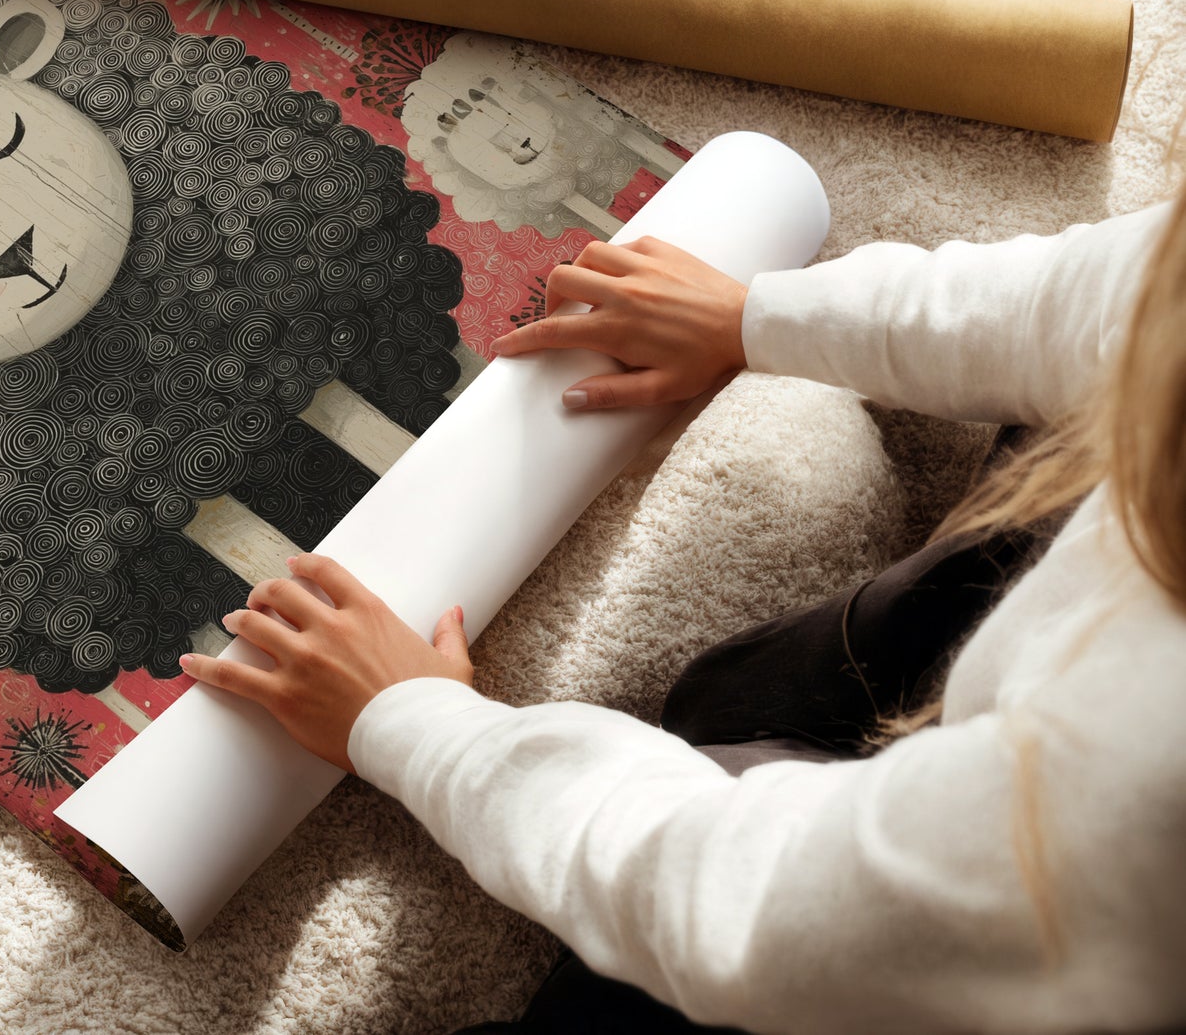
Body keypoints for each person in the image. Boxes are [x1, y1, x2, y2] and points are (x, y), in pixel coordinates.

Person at [179, 192, 1186, 1033]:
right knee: (749, 696)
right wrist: (754, 316)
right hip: (1044, 745)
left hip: (1044, 945)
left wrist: (414, 725)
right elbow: (1109, 295)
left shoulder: (1136, 787)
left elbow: (750, 907)